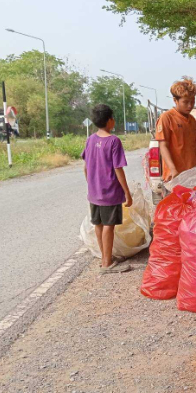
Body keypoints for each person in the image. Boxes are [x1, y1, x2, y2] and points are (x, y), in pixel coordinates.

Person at [82, 104, 132, 273]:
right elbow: (118, 169)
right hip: (110, 192)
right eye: (113, 118)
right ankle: (107, 263)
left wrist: (91, 184)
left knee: (98, 224)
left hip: (94, 192)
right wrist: (127, 192)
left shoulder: (90, 139)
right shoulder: (113, 141)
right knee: (109, 225)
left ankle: (105, 257)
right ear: (110, 120)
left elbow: (85, 167)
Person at [157, 77, 196, 182]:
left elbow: (194, 145)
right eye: (185, 102)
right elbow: (163, 146)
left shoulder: (192, 120)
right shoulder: (167, 117)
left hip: (192, 174)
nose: (190, 105)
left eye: (192, 101)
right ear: (175, 100)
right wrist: (173, 169)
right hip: (174, 176)